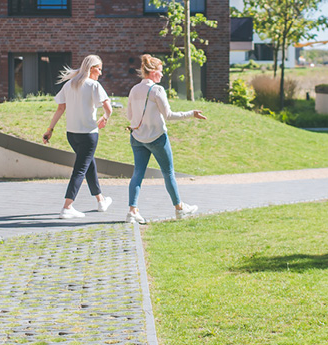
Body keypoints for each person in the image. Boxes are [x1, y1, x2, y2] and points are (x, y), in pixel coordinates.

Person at [125, 54, 206, 224]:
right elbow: (168, 116)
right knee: (168, 173)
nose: (162, 75)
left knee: (138, 174)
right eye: (160, 71)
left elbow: (129, 115)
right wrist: (191, 114)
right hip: (157, 139)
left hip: (137, 138)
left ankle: (132, 211)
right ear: (152, 71)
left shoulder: (133, 90)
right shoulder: (157, 90)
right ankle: (179, 209)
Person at [43, 55, 113, 219]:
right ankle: (67, 206)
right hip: (88, 135)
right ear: (92, 68)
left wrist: (50, 129)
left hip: (72, 135)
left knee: (89, 164)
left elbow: (60, 109)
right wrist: (105, 118)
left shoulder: (70, 85)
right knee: (81, 169)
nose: (101, 73)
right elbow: (109, 108)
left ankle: (101, 200)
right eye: (99, 69)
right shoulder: (94, 85)